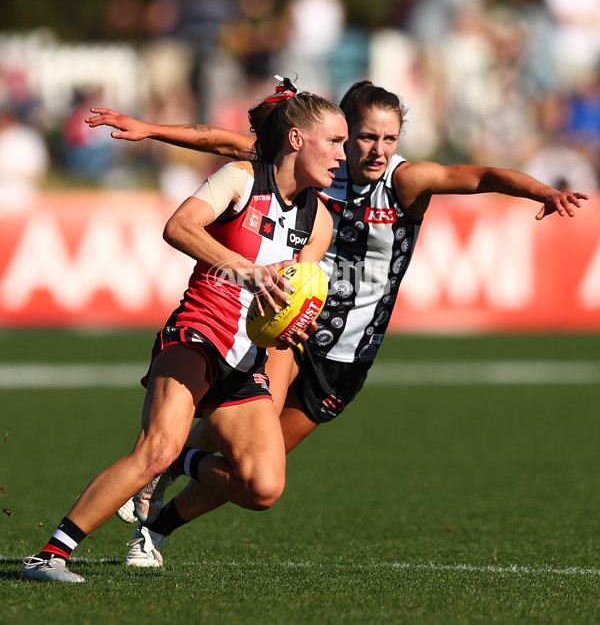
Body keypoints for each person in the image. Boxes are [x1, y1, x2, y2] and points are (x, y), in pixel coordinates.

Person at [83, 79, 589, 567]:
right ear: (343, 133)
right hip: (290, 329)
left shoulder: (406, 181)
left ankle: (159, 516)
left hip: (348, 354)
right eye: (366, 136)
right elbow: (223, 142)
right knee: (247, 438)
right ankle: (159, 467)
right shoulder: (315, 167)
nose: (377, 150)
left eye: (390, 139)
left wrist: (541, 191)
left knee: (263, 465)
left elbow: (480, 176)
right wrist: (151, 129)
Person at [20, 82, 347, 583]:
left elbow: (292, 295)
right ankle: (49, 555)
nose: (342, 156)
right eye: (335, 142)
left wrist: (292, 325)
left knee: (263, 487)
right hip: (197, 333)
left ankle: (182, 463)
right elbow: (179, 226)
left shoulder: (319, 220)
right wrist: (245, 270)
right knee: (154, 449)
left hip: (247, 359)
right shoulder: (241, 178)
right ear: (297, 139)